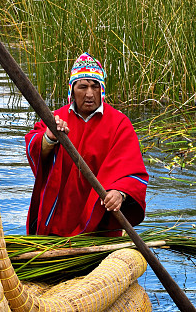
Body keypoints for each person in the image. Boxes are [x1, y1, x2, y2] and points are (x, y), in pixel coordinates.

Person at [25, 53, 148, 237]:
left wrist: (119, 193)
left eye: (95, 86)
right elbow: (33, 146)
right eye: (83, 87)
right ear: (72, 90)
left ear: (102, 89)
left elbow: (134, 172)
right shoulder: (55, 119)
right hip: (58, 224)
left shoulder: (119, 124)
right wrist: (49, 138)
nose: (90, 94)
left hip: (100, 226)